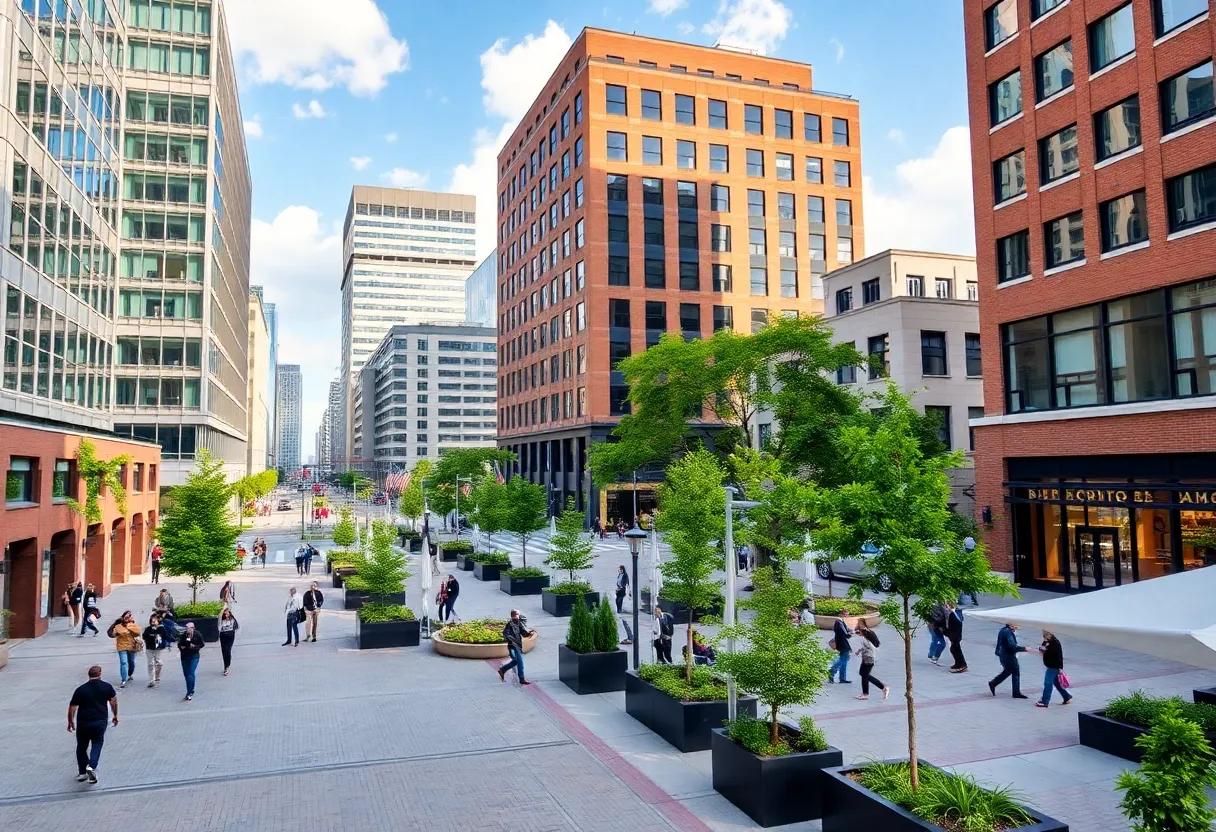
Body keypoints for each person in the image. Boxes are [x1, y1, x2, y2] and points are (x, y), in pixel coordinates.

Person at [67, 665, 118, 784]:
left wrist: (70, 721)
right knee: (97, 743)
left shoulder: (81, 689)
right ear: (100, 674)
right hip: (100, 721)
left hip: (83, 722)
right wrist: (115, 716)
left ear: (89, 675)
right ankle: (91, 766)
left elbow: (72, 708)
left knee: (81, 747)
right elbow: (113, 702)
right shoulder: (106, 686)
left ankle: (82, 773)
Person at [988, 621, 1029, 699]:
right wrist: (1024, 649)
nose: (1017, 627)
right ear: (1011, 625)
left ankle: (993, 683)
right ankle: (1016, 692)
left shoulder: (1003, 630)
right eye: (1015, 625)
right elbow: (1012, 646)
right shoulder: (1008, 633)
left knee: (1008, 670)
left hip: (1003, 654)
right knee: (1015, 670)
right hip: (1008, 655)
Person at [497, 610, 535, 685]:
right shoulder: (509, 625)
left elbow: (523, 633)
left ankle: (503, 669)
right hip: (513, 646)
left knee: (516, 661)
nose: (518, 616)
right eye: (517, 615)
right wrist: (511, 640)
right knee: (519, 661)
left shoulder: (519, 623)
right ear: (514, 616)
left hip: (518, 645)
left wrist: (529, 633)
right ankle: (522, 678)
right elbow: (505, 634)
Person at [1036, 630, 1072, 708]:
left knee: (1048, 683)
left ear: (1050, 633)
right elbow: (1043, 651)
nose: (1044, 636)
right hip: (1049, 665)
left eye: (1046, 634)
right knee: (1057, 683)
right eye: (1044, 634)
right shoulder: (1046, 642)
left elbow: (1059, 656)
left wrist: (1060, 668)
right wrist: (1043, 647)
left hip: (1054, 666)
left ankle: (1045, 701)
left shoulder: (1056, 643)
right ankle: (1067, 697)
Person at [854, 626, 890, 700]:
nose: (859, 633)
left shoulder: (865, 639)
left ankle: (883, 687)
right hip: (868, 658)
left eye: (860, 631)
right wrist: (860, 650)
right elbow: (868, 647)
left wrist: (860, 650)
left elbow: (868, 647)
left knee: (865, 675)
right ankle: (865, 694)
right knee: (863, 674)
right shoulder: (869, 639)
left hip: (868, 659)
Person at [107, 611, 141, 689]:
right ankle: (124, 679)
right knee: (123, 662)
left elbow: (137, 633)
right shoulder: (118, 626)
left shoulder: (133, 625)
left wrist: (130, 628)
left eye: (128, 617)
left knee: (131, 662)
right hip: (121, 646)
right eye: (125, 617)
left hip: (132, 646)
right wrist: (116, 633)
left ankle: (129, 674)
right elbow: (113, 634)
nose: (127, 619)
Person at [177, 622, 205, 701]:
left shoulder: (197, 634)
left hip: (194, 656)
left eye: (189, 628)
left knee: (190, 673)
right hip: (184, 656)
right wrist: (182, 646)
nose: (188, 630)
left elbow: (202, 644)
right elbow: (180, 644)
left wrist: (195, 646)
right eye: (187, 628)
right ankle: (190, 688)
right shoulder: (184, 635)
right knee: (186, 674)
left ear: (193, 628)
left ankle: (189, 692)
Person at [143, 614, 168, 687]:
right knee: (150, 664)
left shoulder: (161, 628)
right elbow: (144, 636)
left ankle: (157, 675)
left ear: (158, 621)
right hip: (149, 648)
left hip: (158, 648)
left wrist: (158, 636)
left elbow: (165, 637)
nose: (152, 623)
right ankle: (152, 680)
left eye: (154, 621)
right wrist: (152, 635)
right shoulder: (148, 629)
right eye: (151, 621)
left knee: (158, 662)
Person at [828, 610, 853, 683]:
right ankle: (831, 672)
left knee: (844, 660)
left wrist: (849, 630)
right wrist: (850, 634)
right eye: (845, 614)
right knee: (843, 660)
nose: (846, 616)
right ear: (841, 614)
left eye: (847, 615)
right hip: (842, 643)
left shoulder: (840, 621)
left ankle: (842, 678)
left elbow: (843, 630)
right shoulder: (839, 622)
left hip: (841, 642)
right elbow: (844, 633)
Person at [945, 601, 967, 673]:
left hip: (955, 636)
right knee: (954, 649)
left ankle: (962, 665)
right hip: (956, 635)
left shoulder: (952, 614)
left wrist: (946, 632)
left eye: (947, 605)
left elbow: (953, 626)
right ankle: (958, 664)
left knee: (956, 650)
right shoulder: (957, 612)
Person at [218, 607, 239, 676]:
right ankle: (225, 666)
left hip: (230, 636)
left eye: (228, 613)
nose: (227, 615)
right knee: (224, 651)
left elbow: (236, 626)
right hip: (223, 636)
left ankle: (227, 667)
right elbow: (219, 627)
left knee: (227, 650)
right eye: (225, 614)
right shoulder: (221, 620)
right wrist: (222, 610)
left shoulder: (232, 619)